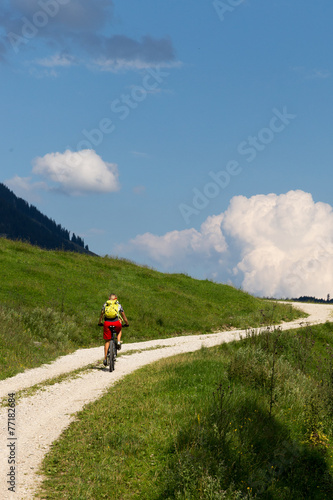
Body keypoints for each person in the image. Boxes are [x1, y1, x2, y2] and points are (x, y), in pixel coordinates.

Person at [98, 293, 129, 366]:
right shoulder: (118, 305)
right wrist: (127, 323)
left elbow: (101, 315)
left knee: (107, 341)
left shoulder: (105, 305)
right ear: (116, 298)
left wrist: (99, 323)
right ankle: (118, 341)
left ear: (109, 298)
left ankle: (105, 359)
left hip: (107, 323)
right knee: (119, 330)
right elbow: (124, 317)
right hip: (116, 322)